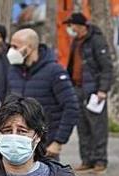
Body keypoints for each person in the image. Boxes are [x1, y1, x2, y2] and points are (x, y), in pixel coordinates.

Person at [7, 28, 80, 160]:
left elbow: (71, 107)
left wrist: (58, 141)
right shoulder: (13, 71)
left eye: (15, 47)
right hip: (17, 145)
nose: (11, 51)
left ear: (29, 48)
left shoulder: (54, 71)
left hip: (46, 146)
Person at [65, 12, 113, 174]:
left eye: (71, 25)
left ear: (80, 26)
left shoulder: (96, 40)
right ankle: (87, 159)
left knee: (97, 127)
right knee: (82, 127)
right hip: (78, 89)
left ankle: (100, 160)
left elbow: (106, 66)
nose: (70, 28)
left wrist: (102, 89)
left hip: (93, 91)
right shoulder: (76, 42)